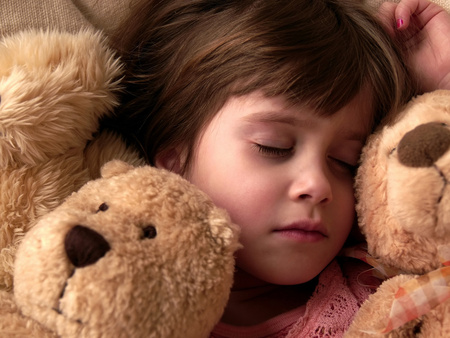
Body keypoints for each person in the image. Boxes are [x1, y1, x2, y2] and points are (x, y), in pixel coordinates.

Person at [108, 0, 450, 336]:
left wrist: (443, 86)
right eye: (274, 147)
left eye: (347, 161)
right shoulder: (120, 304)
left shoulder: (384, 293)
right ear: (173, 162)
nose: (318, 185)